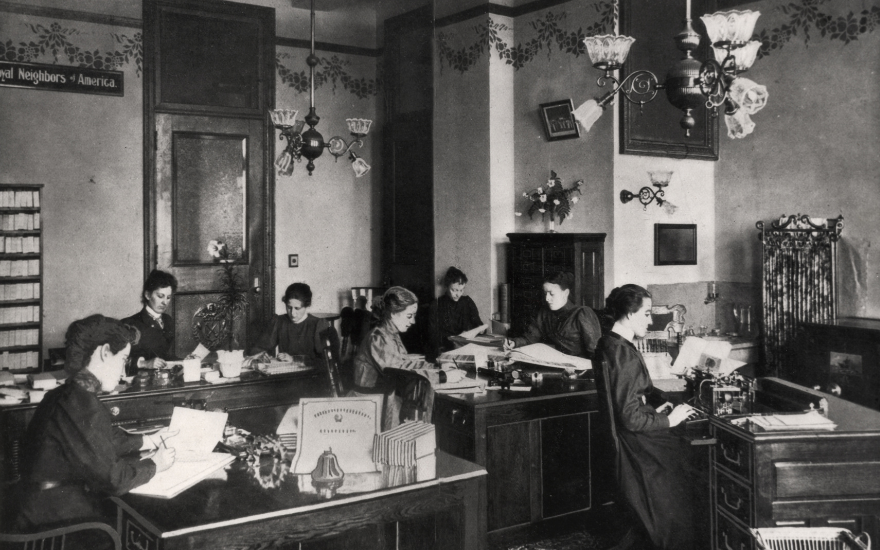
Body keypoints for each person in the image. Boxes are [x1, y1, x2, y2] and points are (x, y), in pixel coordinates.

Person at [16, 315, 177, 536]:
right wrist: (155, 464)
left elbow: (101, 438)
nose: (123, 373)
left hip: (39, 509)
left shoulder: (64, 394)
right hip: (52, 525)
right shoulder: (83, 403)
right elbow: (114, 479)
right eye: (123, 360)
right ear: (104, 352)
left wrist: (147, 440)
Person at [593, 284, 697, 550]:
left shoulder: (609, 343)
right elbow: (631, 418)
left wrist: (667, 403)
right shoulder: (624, 353)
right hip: (636, 445)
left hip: (627, 440)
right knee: (692, 452)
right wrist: (671, 419)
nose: (650, 321)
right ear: (629, 313)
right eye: (647, 313)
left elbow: (641, 392)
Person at [353, 286, 465, 429]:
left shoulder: (390, 334)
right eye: (409, 316)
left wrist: (438, 368)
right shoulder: (379, 338)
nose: (412, 322)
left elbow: (405, 364)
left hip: (384, 397)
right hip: (371, 403)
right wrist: (443, 376)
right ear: (393, 313)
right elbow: (401, 375)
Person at [503, 271, 602, 359]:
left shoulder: (582, 313)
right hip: (555, 365)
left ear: (565, 293)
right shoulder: (544, 313)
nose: (547, 298)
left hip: (578, 370)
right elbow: (530, 338)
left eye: (551, 293)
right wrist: (514, 343)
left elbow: (596, 352)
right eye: (545, 293)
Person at [250, 283, 329, 362]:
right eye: (289, 307)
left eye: (297, 308)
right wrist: (260, 355)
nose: (293, 313)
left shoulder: (317, 325)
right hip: (285, 371)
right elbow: (258, 348)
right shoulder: (279, 322)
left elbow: (325, 361)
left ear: (306, 305)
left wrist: (294, 359)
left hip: (311, 373)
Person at [121, 269, 178, 375]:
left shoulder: (168, 320)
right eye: (160, 296)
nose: (164, 302)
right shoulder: (129, 324)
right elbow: (116, 361)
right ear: (147, 295)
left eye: (168, 297)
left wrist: (186, 361)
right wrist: (144, 363)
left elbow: (168, 356)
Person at [427, 266, 483, 359]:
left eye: (461, 290)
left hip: (467, 348)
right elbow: (433, 335)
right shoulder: (436, 305)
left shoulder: (468, 302)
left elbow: (478, 324)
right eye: (454, 290)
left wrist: (481, 329)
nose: (458, 294)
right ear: (447, 286)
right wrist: (452, 340)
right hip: (445, 350)